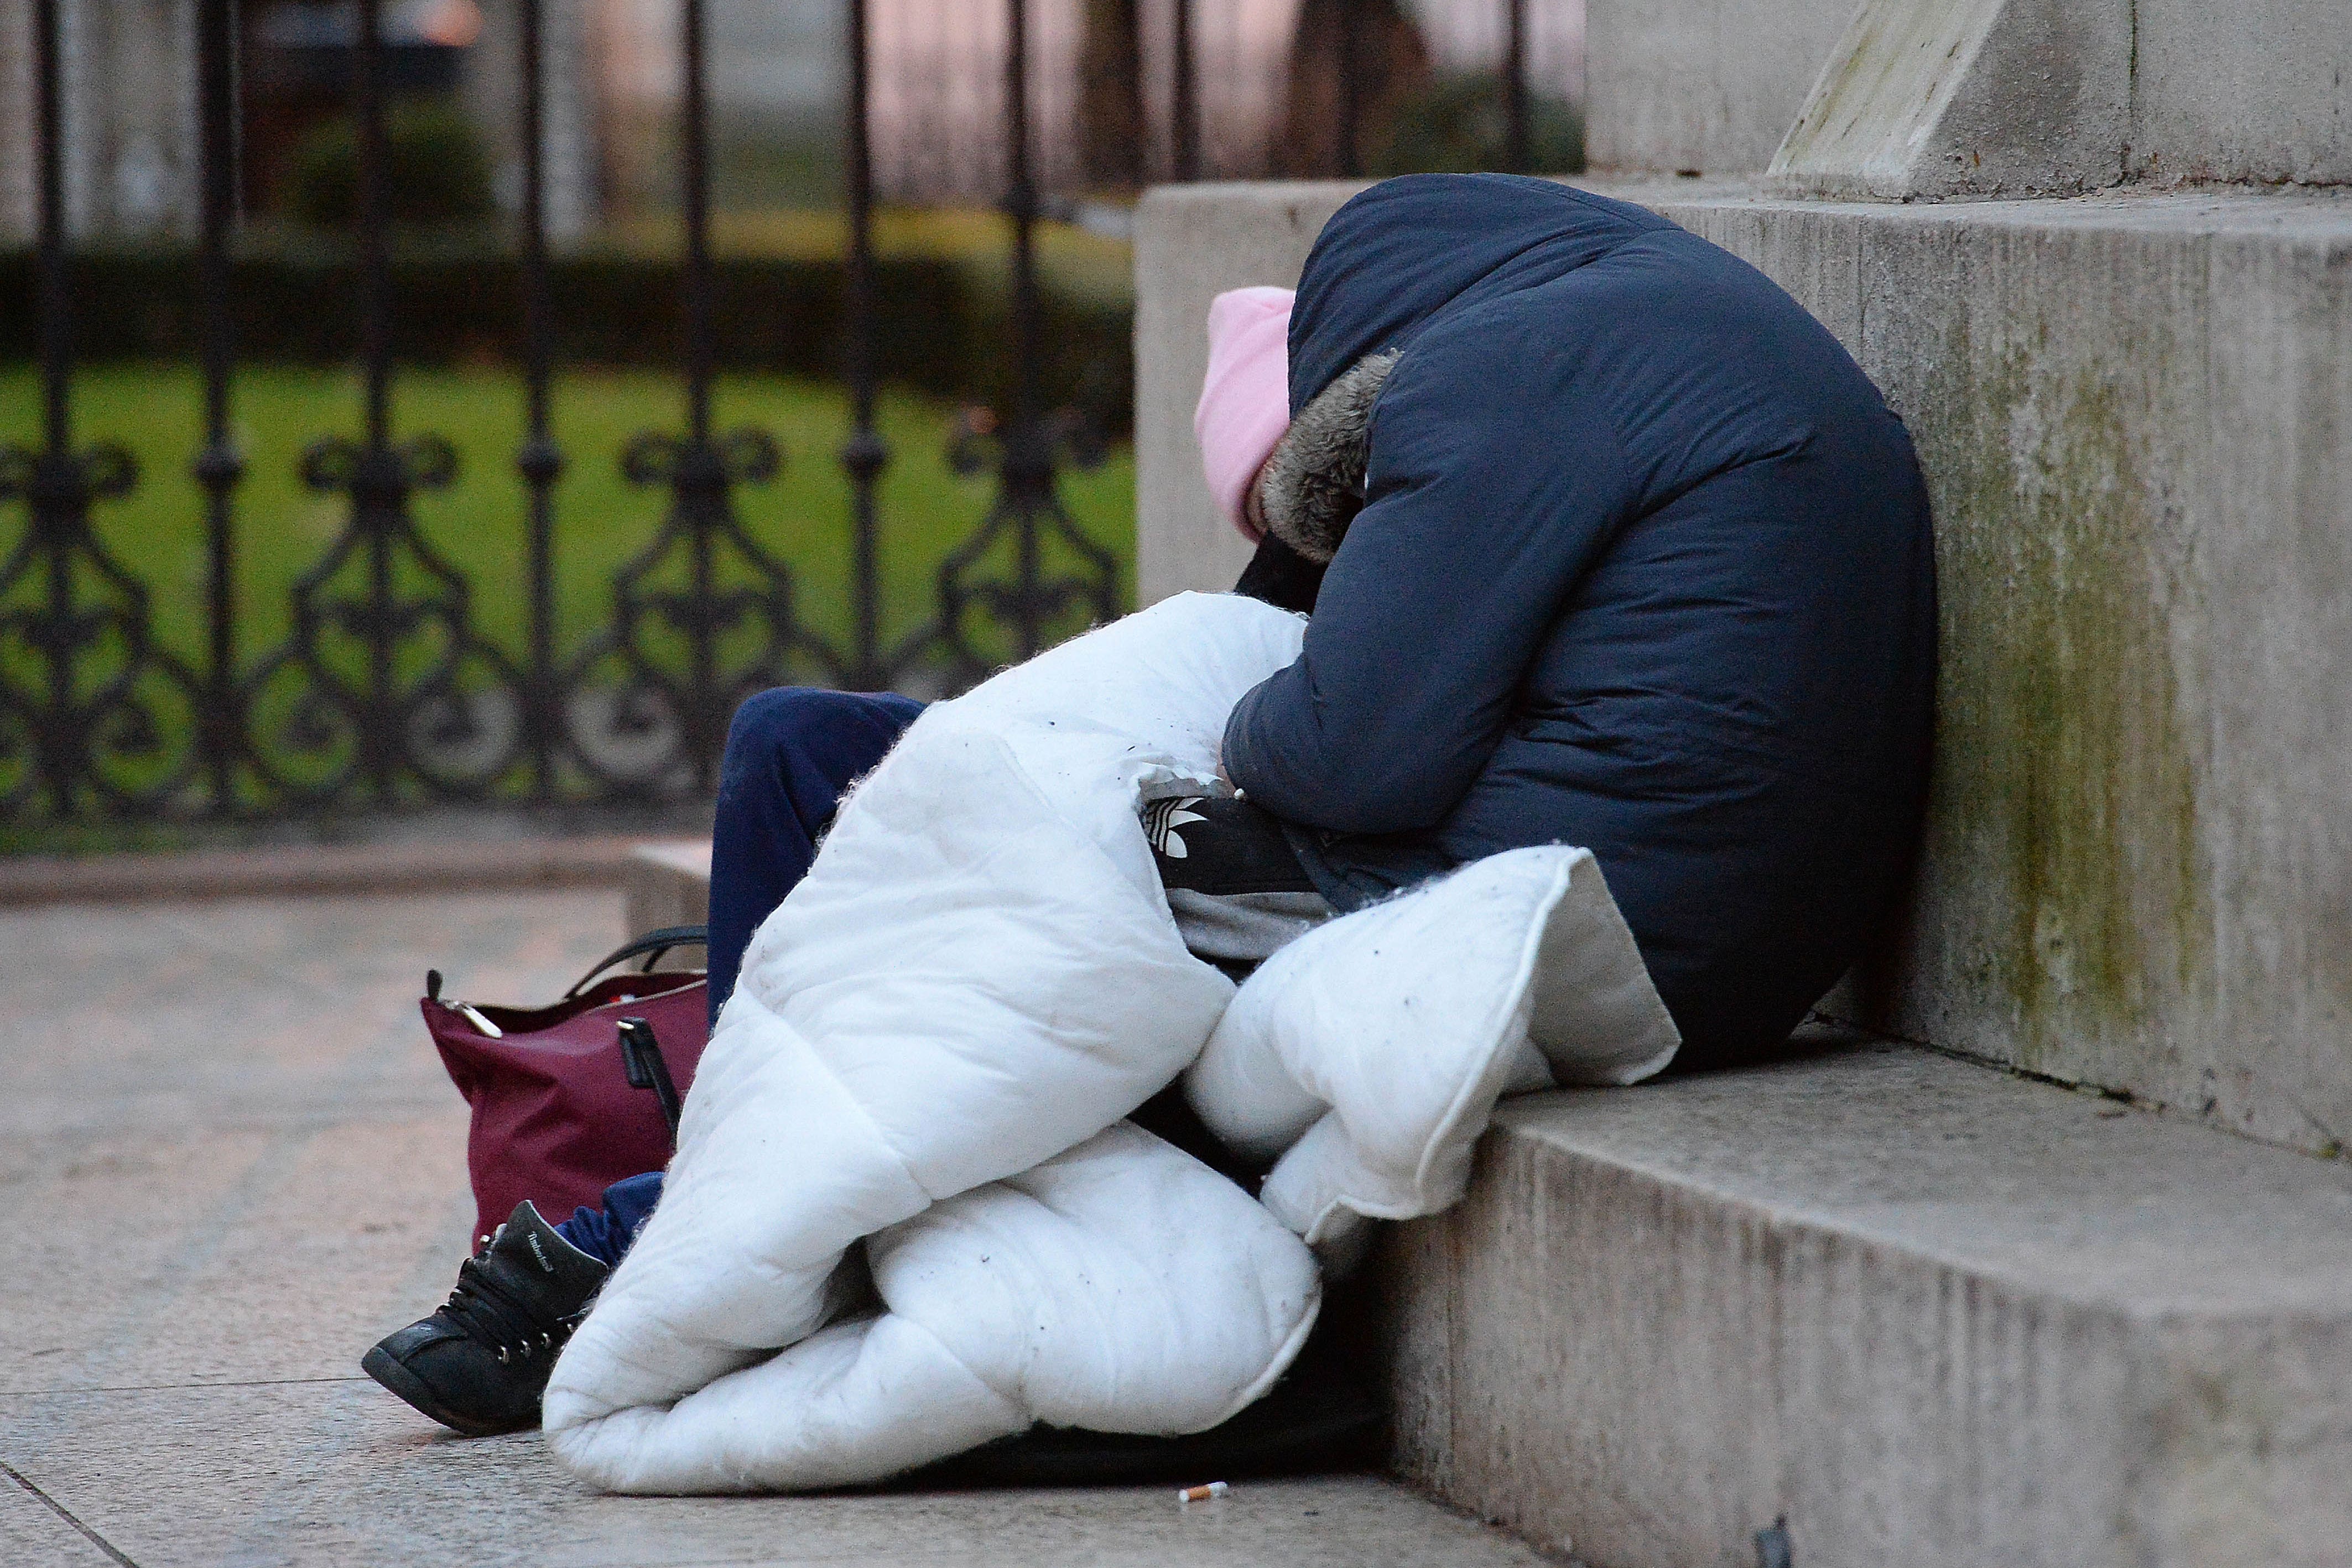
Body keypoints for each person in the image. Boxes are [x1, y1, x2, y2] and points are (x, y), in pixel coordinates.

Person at [364, 171, 1933, 1439]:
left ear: (1348, 403)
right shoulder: (1622, 333)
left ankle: (647, 1234)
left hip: (1582, 908)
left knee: (1026, 914)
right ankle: (740, 1155)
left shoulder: (1507, 374)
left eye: (1326, 512)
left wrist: (1211, 717)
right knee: (803, 744)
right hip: (1671, 902)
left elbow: (1343, 755)